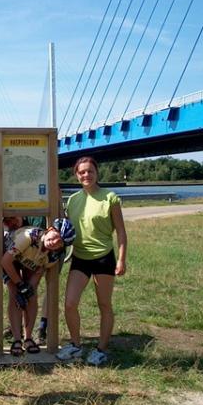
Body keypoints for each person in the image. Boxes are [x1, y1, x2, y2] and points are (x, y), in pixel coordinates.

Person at [56, 156, 127, 366]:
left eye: (90, 171)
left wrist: (121, 260)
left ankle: (101, 349)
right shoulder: (73, 200)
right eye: (82, 172)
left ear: (97, 173)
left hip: (103, 258)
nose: (86, 175)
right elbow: (65, 227)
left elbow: (121, 233)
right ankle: (76, 345)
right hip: (80, 258)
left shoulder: (110, 198)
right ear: (76, 175)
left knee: (104, 304)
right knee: (70, 303)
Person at [1, 218, 75, 356]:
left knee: (31, 295)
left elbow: (39, 271)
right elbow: (5, 262)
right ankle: (17, 339)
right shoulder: (29, 237)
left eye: (60, 243)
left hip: (30, 260)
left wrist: (28, 289)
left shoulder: (54, 255)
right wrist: (19, 284)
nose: (55, 242)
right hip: (9, 257)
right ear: (50, 229)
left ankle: (28, 338)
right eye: (55, 236)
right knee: (15, 295)